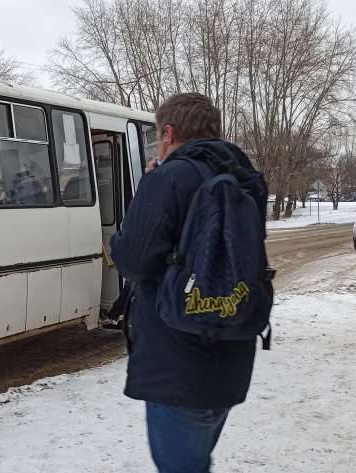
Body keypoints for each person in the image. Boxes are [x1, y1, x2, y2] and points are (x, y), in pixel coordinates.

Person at [110, 93, 268, 472]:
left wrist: (147, 194)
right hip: (232, 350)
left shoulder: (168, 178)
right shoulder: (245, 178)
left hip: (176, 360)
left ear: (168, 133)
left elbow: (133, 259)